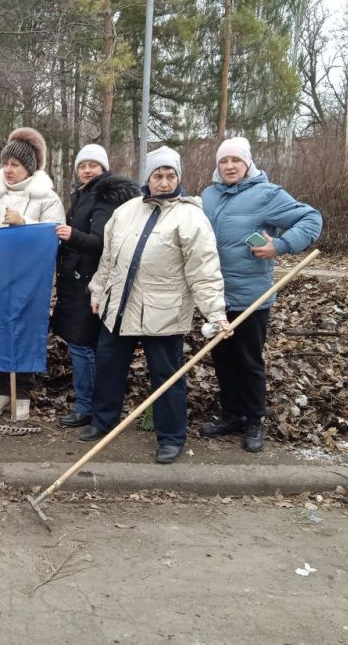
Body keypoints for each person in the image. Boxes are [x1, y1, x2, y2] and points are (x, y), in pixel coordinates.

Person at [83, 146, 229, 464]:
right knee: (108, 368)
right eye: (157, 175)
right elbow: (108, 260)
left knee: (167, 375)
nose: (163, 182)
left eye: (169, 175)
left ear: (178, 177)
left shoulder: (191, 216)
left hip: (162, 312)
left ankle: (172, 436)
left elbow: (204, 270)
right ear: (147, 178)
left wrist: (216, 312)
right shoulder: (126, 211)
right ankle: (103, 422)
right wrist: (97, 292)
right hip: (119, 307)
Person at [199, 137, 322, 452]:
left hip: (251, 297)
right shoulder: (208, 196)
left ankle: (254, 420)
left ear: (247, 164)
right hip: (215, 295)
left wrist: (279, 245)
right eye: (224, 161)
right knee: (222, 358)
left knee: (248, 361)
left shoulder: (266, 194)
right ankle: (231, 415)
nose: (229, 166)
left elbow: (311, 219)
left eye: (235, 161)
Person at [0, 127, 65, 420]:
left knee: (23, 332)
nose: (9, 170)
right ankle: (1, 390)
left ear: (29, 168)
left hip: (28, 281)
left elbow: (54, 236)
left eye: (16, 165)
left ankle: (21, 393)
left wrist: (24, 222)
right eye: (6, 164)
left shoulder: (47, 198)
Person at [52, 144, 140, 428]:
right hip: (77, 281)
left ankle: (86, 407)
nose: (87, 170)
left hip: (90, 284)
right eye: (82, 166)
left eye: (93, 165)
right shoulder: (83, 195)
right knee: (81, 344)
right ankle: (87, 403)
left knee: (82, 346)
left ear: (104, 168)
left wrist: (71, 235)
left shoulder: (104, 198)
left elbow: (101, 243)